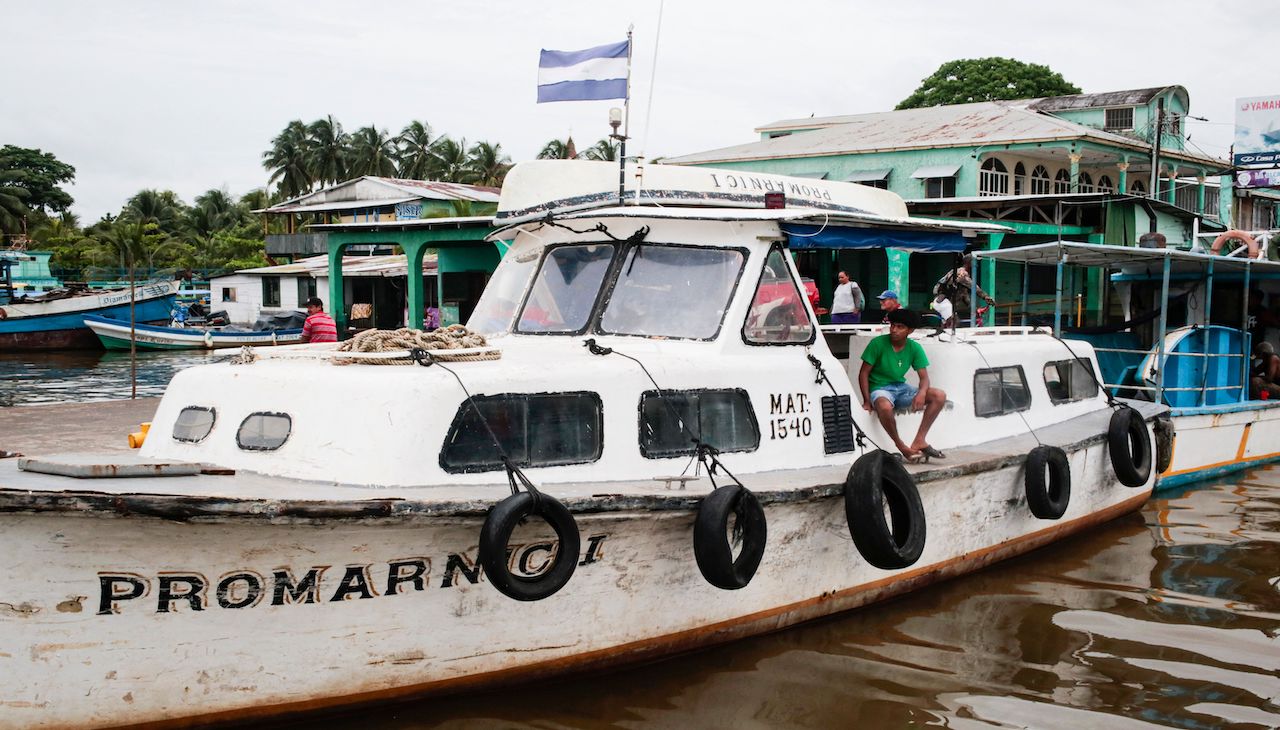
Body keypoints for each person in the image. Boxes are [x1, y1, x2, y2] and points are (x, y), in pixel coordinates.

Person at [858, 309, 947, 462]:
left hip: (901, 388)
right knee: (885, 407)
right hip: (880, 389)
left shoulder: (914, 348)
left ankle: (920, 440)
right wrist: (867, 401)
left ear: (910, 330)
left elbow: (924, 378)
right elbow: (863, 373)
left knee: (939, 395)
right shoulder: (877, 344)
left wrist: (921, 393)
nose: (894, 330)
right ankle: (901, 446)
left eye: (900, 327)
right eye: (893, 325)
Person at [934, 255, 995, 327]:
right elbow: (973, 287)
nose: (977, 265)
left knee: (949, 324)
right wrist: (985, 297)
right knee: (955, 321)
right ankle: (950, 337)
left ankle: (944, 334)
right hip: (943, 302)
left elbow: (965, 296)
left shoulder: (959, 274)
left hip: (943, 302)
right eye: (975, 262)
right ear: (969, 263)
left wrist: (976, 309)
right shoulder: (961, 274)